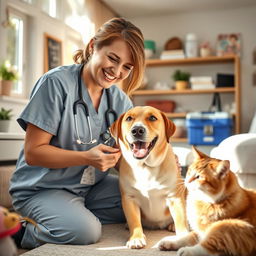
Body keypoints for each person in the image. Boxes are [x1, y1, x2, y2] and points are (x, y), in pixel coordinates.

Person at [9, 17, 145, 249]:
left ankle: (71, 212)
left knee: (142, 202)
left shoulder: (120, 101)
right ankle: (20, 232)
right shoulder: (55, 84)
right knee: (85, 232)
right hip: (42, 188)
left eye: (126, 67)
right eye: (113, 58)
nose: (117, 71)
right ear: (93, 46)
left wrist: (152, 164)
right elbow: (33, 153)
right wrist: (85, 157)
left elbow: (123, 159)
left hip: (90, 188)